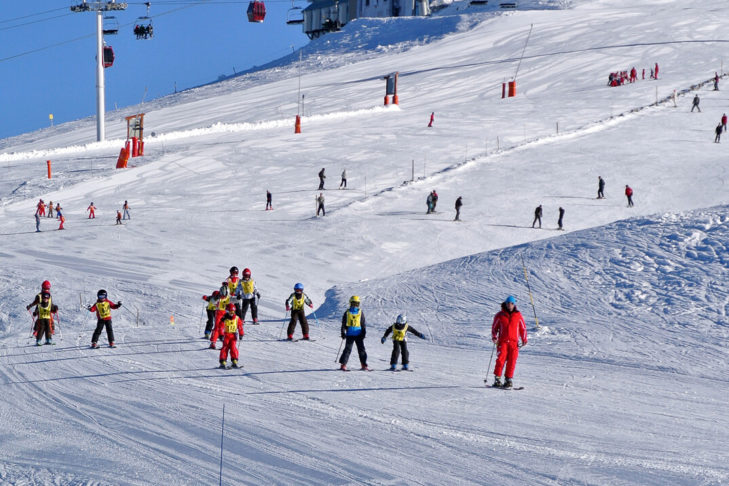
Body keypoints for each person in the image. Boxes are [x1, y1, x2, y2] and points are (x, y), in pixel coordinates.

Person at [491, 295, 527, 388]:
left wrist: (524, 339)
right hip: (502, 342)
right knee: (500, 360)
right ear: (505, 304)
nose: (509, 305)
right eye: (508, 303)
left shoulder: (518, 315)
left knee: (512, 361)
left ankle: (508, 380)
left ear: (514, 304)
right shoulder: (500, 315)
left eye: (511, 303)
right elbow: (494, 328)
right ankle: (497, 379)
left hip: (514, 343)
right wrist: (494, 337)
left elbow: (523, 328)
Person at [339, 295, 368, 371]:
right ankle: (343, 364)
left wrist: (363, 333)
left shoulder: (360, 312)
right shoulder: (347, 313)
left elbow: (363, 323)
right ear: (350, 303)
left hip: (359, 334)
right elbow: (343, 324)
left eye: (357, 304)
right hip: (350, 334)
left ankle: (364, 365)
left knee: (361, 350)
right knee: (347, 350)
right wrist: (343, 332)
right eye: (354, 303)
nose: (355, 305)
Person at [217, 303, 244, 369]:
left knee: (233, 348)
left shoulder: (237, 318)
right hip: (226, 335)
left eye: (233, 312)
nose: (232, 313)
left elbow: (240, 326)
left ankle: (234, 361)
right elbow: (220, 327)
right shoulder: (224, 319)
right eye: (230, 312)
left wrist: (241, 333)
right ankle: (223, 362)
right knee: (225, 348)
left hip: (233, 335)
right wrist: (221, 335)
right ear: (227, 311)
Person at [209, 283, 231, 349]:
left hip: (226, 313)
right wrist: (216, 298)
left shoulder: (229, 297)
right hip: (218, 312)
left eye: (225, 294)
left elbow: (234, 299)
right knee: (217, 327)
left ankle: (224, 343)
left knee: (224, 328)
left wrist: (238, 297)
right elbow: (212, 302)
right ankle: (213, 342)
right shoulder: (218, 297)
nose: (223, 296)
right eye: (222, 294)